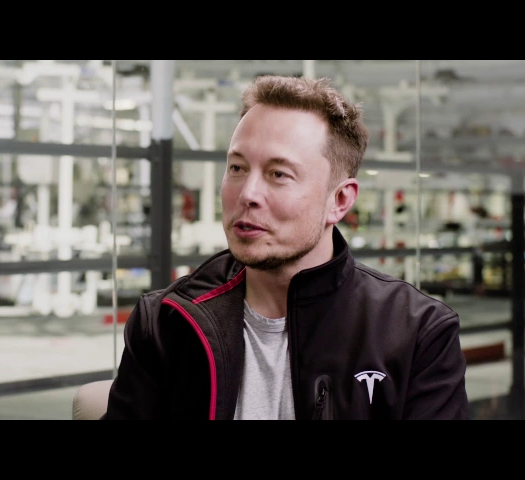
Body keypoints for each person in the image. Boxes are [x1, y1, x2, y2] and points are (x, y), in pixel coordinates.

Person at [101, 75, 469, 420]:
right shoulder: (165, 322)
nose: (248, 194)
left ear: (339, 201)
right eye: (237, 168)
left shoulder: (417, 333)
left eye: (279, 174)